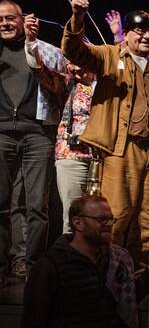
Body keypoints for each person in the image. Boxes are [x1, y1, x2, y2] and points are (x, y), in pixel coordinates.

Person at [62, 0, 149, 275]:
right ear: (128, 34)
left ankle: (140, 278)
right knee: (118, 217)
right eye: (139, 31)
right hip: (123, 151)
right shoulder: (110, 55)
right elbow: (75, 51)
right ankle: (106, 275)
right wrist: (77, 17)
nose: (146, 36)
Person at [0, 1, 63, 286]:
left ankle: (34, 266)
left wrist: (33, 47)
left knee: (38, 204)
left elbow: (59, 88)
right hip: (1, 133)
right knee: (1, 203)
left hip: (37, 132)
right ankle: (3, 265)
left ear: (24, 20)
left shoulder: (47, 50)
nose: (4, 23)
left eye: (10, 18)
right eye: (0, 19)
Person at [22, 195, 137, 328]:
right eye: (101, 220)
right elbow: (33, 320)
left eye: (112, 219)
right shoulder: (50, 265)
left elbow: (124, 300)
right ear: (77, 222)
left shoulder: (114, 259)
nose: (110, 224)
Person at [53, 62, 96, 233]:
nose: (78, 67)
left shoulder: (106, 84)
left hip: (104, 158)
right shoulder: (66, 83)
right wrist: (31, 44)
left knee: (102, 217)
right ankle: (71, 258)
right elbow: (39, 69)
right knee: (73, 217)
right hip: (71, 156)